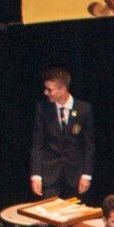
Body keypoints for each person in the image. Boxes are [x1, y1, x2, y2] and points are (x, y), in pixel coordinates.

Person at [30, 68, 94, 198]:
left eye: (49, 90)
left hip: (75, 175)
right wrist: (36, 175)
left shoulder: (84, 109)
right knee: (49, 209)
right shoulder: (42, 109)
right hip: (50, 175)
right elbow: (37, 144)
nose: (45, 92)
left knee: (74, 209)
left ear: (63, 90)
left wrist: (87, 175)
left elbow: (89, 145)